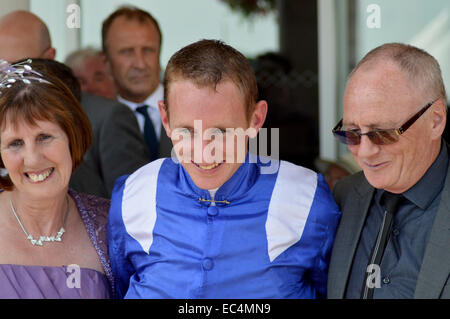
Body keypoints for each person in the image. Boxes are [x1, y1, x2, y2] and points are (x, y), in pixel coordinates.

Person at [107, 39, 341, 299]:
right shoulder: (132, 194)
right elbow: (120, 285)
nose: (204, 151)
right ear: (165, 119)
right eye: (187, 131)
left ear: (256, 119)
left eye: (221, 132)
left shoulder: (305, 198)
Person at [328, 43, 450, 299]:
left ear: (436, 120)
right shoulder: (344, 196)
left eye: (382, 133)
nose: (364, 152)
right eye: (351, 133)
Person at [0, 10, 151, 198]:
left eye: (19, 68)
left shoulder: (107, 116)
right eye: (1, 69)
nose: (8, 80)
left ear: (48, 58)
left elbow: (132, 201)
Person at [0, 59, 113, 298]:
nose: (32, 159)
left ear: (72, 137)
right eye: (15, 143)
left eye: (44, 137)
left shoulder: (110, 227)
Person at [102, 5, 172, 160]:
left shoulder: (189, 109)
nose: (140, 64)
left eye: (148, 50)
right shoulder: (97, 124)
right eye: (127, 52)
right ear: (106, 61)